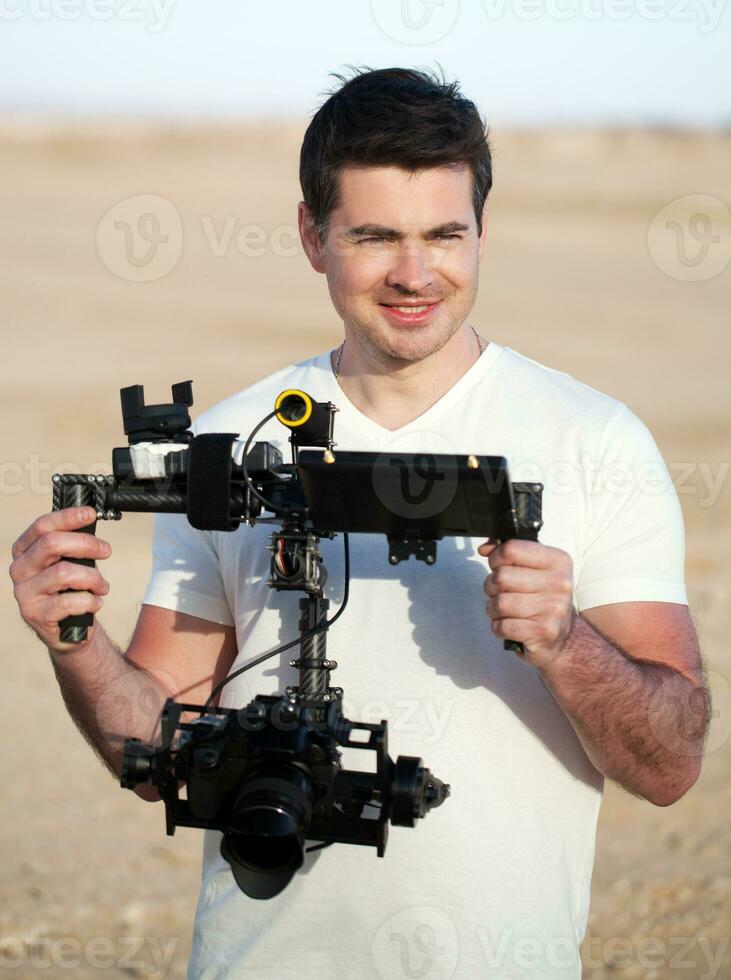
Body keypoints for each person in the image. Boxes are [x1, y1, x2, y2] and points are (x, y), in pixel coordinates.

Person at [10, 67, 709, 979]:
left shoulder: (595, 440)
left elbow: (668, 767)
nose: (415, 274)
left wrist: (564, 641)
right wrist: (74, 642)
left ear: (482, 233)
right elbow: (156, 758)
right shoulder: (229, 443)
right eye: (375, 236)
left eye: (443, 235)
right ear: (313, 234)